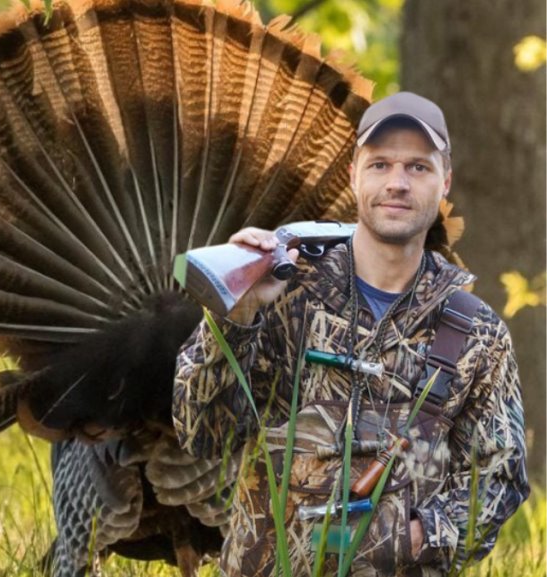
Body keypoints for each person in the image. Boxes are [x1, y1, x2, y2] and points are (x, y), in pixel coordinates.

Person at [172, 92, 529, 576]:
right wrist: (237, 317)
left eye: (418, 168)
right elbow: (201, 434)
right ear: (353, 175)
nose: (397, 183)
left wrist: (418, 536)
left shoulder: (477, 332)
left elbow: (500, 479)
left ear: (445, 181)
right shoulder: (281, 293)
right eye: (380, 164)